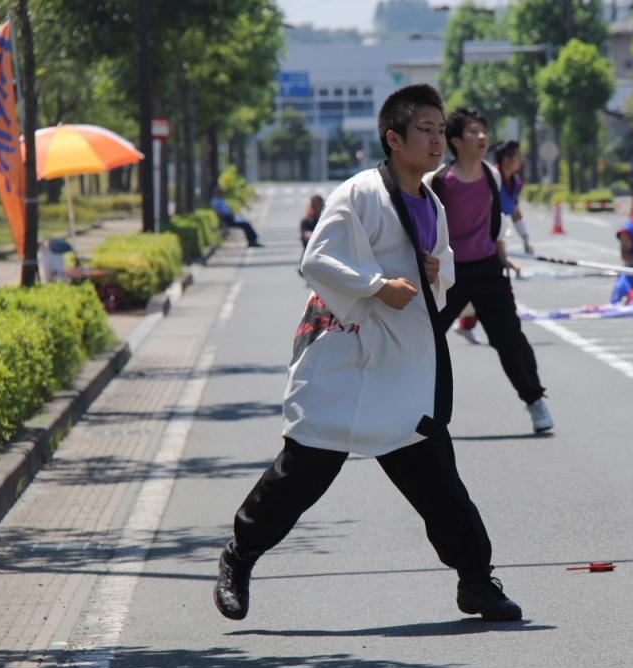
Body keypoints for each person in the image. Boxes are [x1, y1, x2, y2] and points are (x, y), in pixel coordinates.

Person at [213, 84, 523, 623]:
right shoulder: (358, 193)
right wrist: (379, 285)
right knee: (299, 477)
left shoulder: (432, 202)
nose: (436, 140)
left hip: (399, 371)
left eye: (438, 129)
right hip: (345, 360)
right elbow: (319, 260)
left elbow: (444, 267)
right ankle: (239, 557)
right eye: (424, 130)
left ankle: (476, 581)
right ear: (394, 138)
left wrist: (434, 273)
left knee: (442, 488)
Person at [427, 107, 553, 433]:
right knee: (423, 340)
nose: (481, 137)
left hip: (487, 270)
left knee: (510, 339)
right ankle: (411, 408)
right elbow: (425, 230)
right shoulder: (438, 181)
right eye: (472, 131)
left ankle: (535, 400)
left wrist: (503, 256)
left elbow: (496, 224)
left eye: (483, 130)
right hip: (449, 273)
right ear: (455, 140)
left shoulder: (492, 175)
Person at [454, 140, 532, 345]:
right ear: (507, 160)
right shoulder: (487, 178)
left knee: (485, 289)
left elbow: (513, 211)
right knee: (487, 289)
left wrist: (525, 238)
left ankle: (467, 325)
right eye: (518, 158)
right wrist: (502, 254)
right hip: (480, 241)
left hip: (496, 237)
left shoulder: (514, 182)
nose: (521, 162)